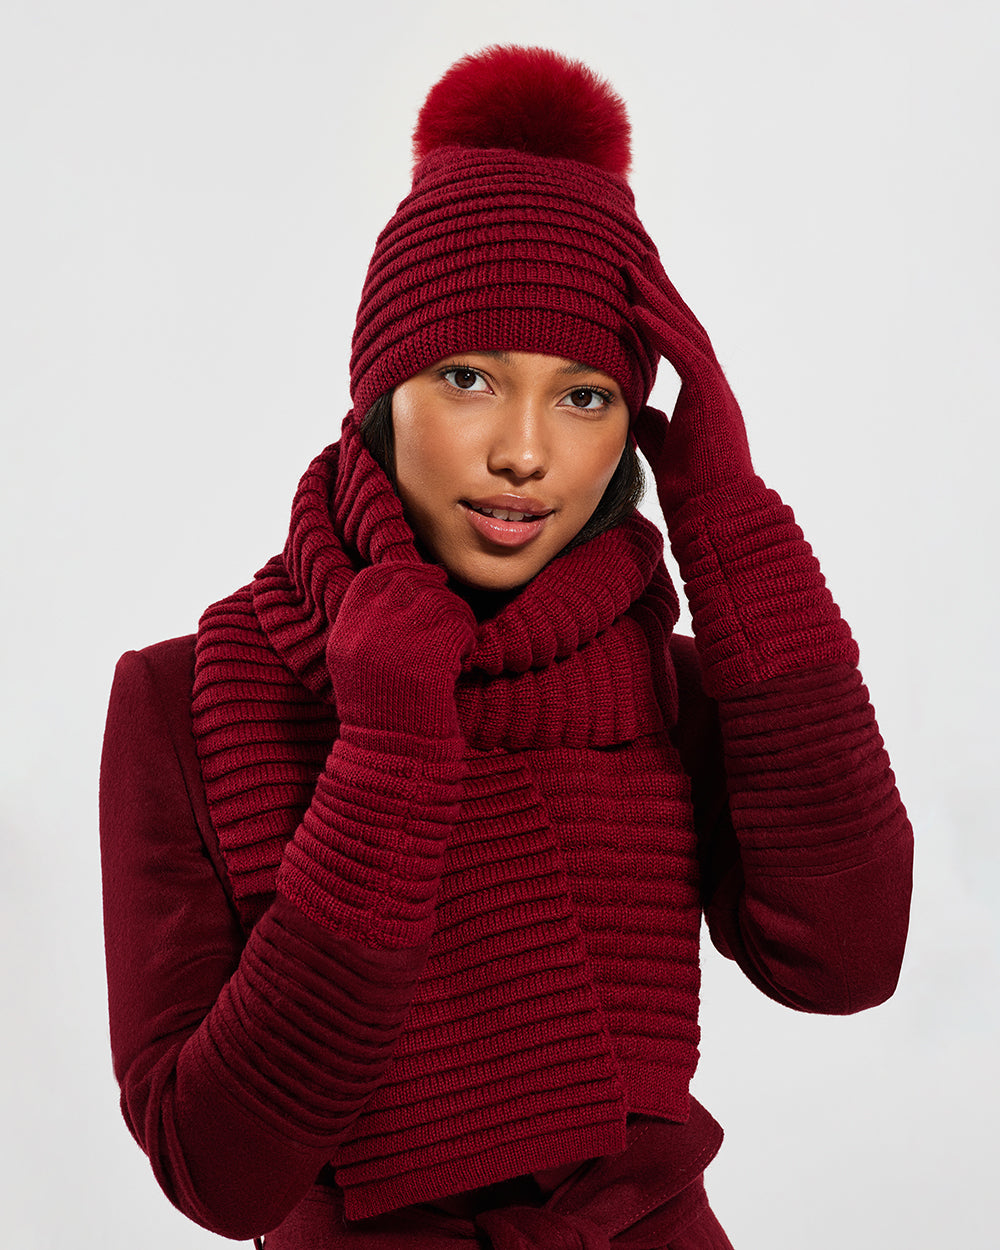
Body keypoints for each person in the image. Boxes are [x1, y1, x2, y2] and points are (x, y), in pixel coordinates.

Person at [99, 45, 913, 1249]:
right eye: (469, 377)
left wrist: (730, 523)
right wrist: (385, 753)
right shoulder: (185, 696)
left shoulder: (665, 687)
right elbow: (220, 1171)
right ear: (380, 400)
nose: (524, 452)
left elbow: (845, 963)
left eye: (584, 394)